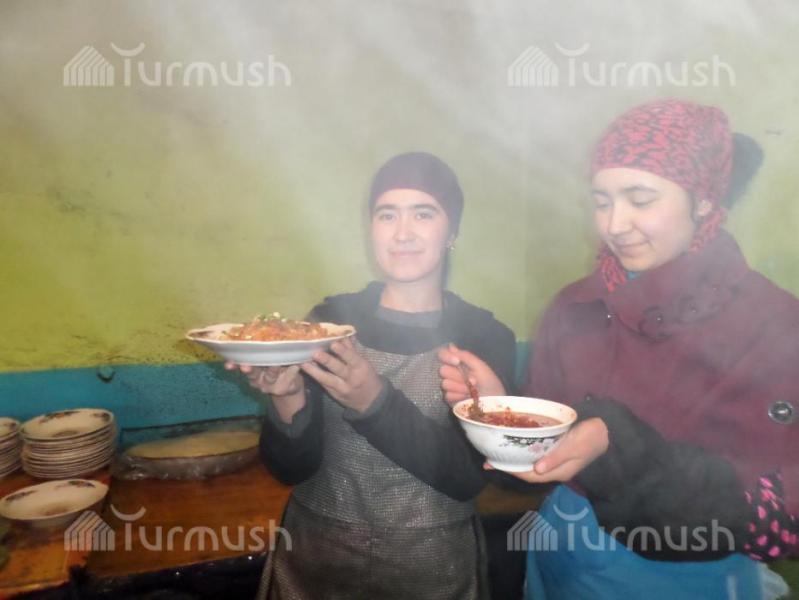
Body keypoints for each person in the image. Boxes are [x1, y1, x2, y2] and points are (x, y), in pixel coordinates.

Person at [440, 99, 799, 599]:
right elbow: (541, 465)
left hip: (683, 575)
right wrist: (504, 415)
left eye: (640, 199)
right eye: (602, 200)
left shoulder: (770, 322)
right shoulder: (575, 306)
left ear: (703, 201)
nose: (614, 224)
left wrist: (615, 446)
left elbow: (779, 517)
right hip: (559, 555)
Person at [228, 152, 516, 599]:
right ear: (371, 229)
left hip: (433, 566)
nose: (403, 232)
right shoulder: (329, 321)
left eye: (424, 213)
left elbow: (467, 478)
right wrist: (286, 397)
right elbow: (290, 468)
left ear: (452, 232)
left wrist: (374, 402)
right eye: (387, 215)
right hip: (317, 559)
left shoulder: (483, 336)